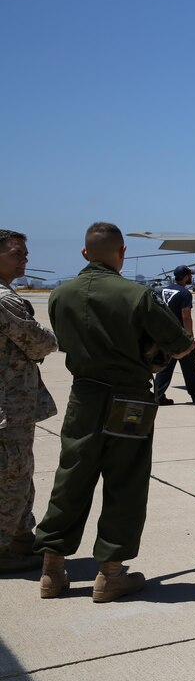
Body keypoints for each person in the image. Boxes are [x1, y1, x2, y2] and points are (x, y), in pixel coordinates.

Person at [34, 222, 194, 603]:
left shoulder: (60, 294)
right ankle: (110, 575)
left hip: (84, 397)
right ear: (122, 253)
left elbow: (62, 341)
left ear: (85, 253)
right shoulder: (138, 295)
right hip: (130, 400)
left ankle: (52, 571)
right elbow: (180, 345)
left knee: (71, 476)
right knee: (125, 481)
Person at [0, 230, 58, 574]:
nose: (25, 259)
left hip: (12, 405)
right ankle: (6, 548)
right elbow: (39, 342)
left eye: (24, 253)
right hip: (9, 407)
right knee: (13, 477)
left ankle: (20, 537)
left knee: (16, 474)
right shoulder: (5, 301)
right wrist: (51, 336)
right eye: (16, 253)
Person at [154, 265, 195, 405]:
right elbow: (186, 316)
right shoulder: (184, 293)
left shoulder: (162, 290)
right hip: (180, 337)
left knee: (173, 366)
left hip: (165, 335)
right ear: (186, 276)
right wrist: (190, 338)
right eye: (190, 275)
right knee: (187, 366)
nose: (191, 277)